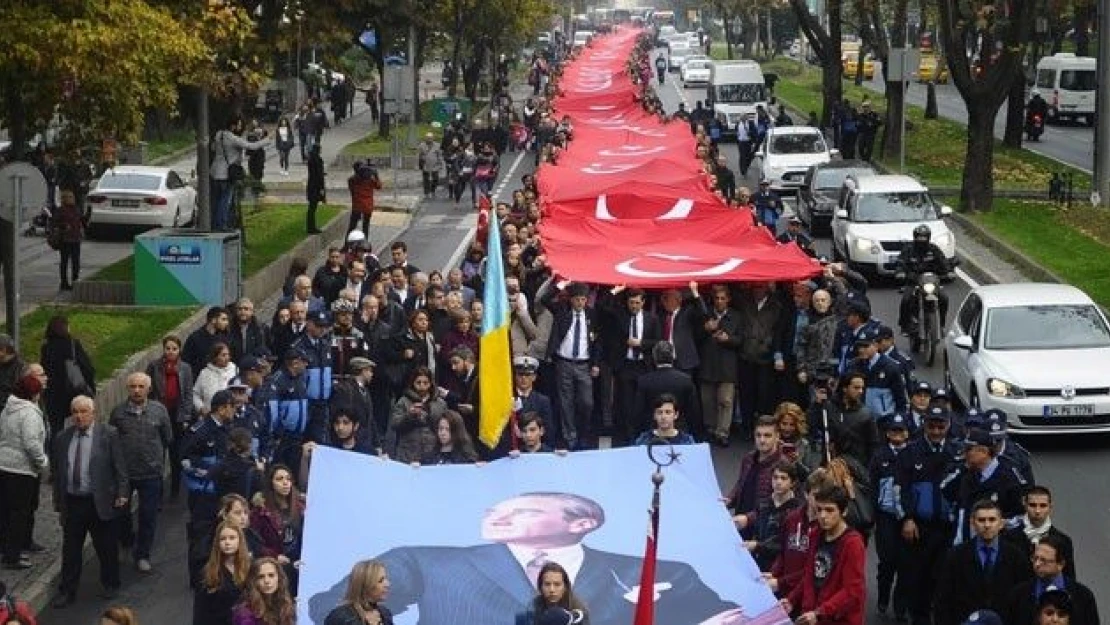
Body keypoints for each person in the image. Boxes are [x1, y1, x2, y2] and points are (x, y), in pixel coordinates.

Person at [308, 491, 738, 625]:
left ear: (582, 521)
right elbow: (329, 606)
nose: (498, 515)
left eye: (523, 510)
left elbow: (727, 620)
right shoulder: (424, 561)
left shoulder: (660, 573)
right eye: (495, 510)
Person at [51, 396, 130, 608]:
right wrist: (58, 502)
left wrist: (123, 492)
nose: (79, 416)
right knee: (71, 550)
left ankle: (111, 583)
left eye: (84, 411)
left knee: (106, 547)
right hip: (74, 502)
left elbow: (120, 466)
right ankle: (67, 590)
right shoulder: (62, 438)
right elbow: (57, 472)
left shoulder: (108, 434)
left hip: (100, 500)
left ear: (93, 413)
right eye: (75, 411)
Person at [109, 372, 172, 573]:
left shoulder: (159, 411)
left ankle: (143, 554)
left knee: (148, 516)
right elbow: (111, 440)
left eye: (141, 387)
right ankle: (125, 542)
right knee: (121, 514)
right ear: (128, 389)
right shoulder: (118, 413)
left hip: (151, 472)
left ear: (148, 389)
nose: (136, 390)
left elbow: (167, 437)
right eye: (133, 386)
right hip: (125, 474)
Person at [934, 499, 1034, 625]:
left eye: (992, 520)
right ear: (972, 523)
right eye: (981, 520)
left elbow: (1024, 600)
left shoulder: (1016, 556)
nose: (987, 525)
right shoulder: (955, 556)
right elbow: (943, 600)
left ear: (1001, 523)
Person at [781, 486, 867, 625]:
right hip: (812, 614)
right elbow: (810, 574)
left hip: (837, 619)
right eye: (819, 509)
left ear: (843, 511)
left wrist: (820, 613)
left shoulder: (853, 544)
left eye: (829, 510)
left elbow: (852, 591)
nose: (822, 516)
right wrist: (792, 599)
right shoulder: (815, 534)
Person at [0, 374, 49, 569]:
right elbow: (31, 442)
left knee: (4, 512)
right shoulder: (29, 413)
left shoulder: (8, 409)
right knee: (19, 513)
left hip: (3, 465)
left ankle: (5, 549)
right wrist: (42, 461)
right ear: (34, 393)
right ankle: (14, 555)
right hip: (21, 470)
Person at [1001, 535, 1098, 625]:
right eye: (1035, 558)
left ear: (1061, 564)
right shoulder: (1018, 595)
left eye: (1043, 560)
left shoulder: (1083, 596)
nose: (1037, 564)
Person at [147, 335, 196, 497]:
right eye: (168, 348)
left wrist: (186, 416)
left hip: (177, 415)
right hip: (160, 413)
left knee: (176, 455)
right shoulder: (154, 366)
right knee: (158, 454)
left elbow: (188, 393)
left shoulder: (185, 368)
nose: (170, 352)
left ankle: (175, 490)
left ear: (179, 350)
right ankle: (158, 493)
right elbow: (150, 389)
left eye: (174, 349)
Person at [1002, 486, 1077, 580]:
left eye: (1043, 506)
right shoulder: (1008, 538)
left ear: (1050, 507)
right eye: (1033, 505)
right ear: (1024, 505)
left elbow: (1069, 579)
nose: (1037, 511)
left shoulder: (1063, 541)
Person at [250, 465, 304, 593]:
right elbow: (253, 542)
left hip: (298, 565)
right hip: (274, 568)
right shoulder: (261, 510)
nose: (285, 483)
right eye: (279, 479)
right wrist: (274, 556)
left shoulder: (301, 507)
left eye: (288, 479)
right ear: (271, 483)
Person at [40, 314, 95, 438]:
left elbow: (44, 370)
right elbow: (87, 368)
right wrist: (90, 387)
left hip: (54, 396)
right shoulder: (73, 345)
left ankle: (56, 453)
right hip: (74, 391)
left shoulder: (46, 348)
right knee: (79, 424)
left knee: (56, 428)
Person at [746, 460, 802, 571]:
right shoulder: (763, 503)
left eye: (783, 478)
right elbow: (757, 532)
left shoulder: (797, 510)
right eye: (775, 477)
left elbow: (786, 543)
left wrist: (758, 546)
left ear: (793, 482)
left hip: (779, 566)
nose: (778, 482)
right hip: (756, 563)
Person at [896, 224, 950, 336]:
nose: (922, 240)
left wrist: (948, 272)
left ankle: (941, 325)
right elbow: (900, 262)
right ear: (915, 237)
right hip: (913, 282)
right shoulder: (908, 250)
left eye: (924, 237)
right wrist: (900, 272)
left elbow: (944, 262)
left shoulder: (934, 250)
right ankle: (905, 326)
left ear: (928, 237)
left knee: (944, 298)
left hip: (931, 282)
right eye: (919, 237)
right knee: (906, 300)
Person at [193, 521, 251, 625]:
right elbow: (200, 610)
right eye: (223, 539)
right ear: (217, 543)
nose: (227, 542)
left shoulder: (251, 567)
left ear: (240, 540)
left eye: (232, 538)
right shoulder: (208, 572)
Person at [517, 562, 590, 625]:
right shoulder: (532, 609)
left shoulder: (579, 611)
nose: (552, 590)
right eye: (547, 584)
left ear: (565, 587)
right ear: (540, 587)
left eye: (557, 584)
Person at [324, 560, 395, 625]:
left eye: (386, 578)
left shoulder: (385, 614)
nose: (387, 584)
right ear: (366, 584)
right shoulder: (339, 617)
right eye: (380, 581)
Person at [231, 557, 296, 625]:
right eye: (261, 577)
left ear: (279, 578)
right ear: (253, 581)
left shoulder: (286, 605)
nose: (267, 581)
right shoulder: (245, 613)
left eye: (271, 575)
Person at [50, 188, 85, 290]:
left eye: (72, 197)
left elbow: (82, 221)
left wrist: (88, 213)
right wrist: (63, 226)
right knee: (64, 261)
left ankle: (75, 280)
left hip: (76, 239)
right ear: (64, 199)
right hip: (65, 239)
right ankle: (64, 282)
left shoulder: (76, 209)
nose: (71, 199)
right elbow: (54, 223)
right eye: (69, 197)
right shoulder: (60, 210)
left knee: (76, 262)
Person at [632, 393, 696, 446]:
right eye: (659, 412)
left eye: (668, 412)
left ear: (676, 415)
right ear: (654, 415)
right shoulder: (643, 440)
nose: (663, 417)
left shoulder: (687, 441)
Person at [348, 161, 382, 238]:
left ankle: (346, 244)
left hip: (357, 206)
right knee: (366, 226)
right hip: (368, 207)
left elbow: (352, 191)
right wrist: (376, 175)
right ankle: (365, 242)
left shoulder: (352, 180)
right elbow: (379, 186)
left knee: (352, 226)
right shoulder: (370, 181)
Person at [306, 143, 326, 234]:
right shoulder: (317, 159)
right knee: (313, 207)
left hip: (311, 185)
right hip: (316, 186)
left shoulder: (311, 158)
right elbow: (319, 175)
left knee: (311, 208)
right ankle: (311, 227)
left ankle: (310, 226)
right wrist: (322, 189)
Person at [418, 133, 444, 198]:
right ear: (425, 138)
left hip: (435, 165)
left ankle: (433, 191)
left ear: (433, 138)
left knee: (436, 179)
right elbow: (419, 155)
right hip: (425, 165)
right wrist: (420, 162)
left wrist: (440, 164)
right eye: (428, 138)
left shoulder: (437, 145)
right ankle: (426, 193)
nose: (429, 139)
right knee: (426, 179)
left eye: (430, 138)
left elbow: (439, 155)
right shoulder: (422, 145)